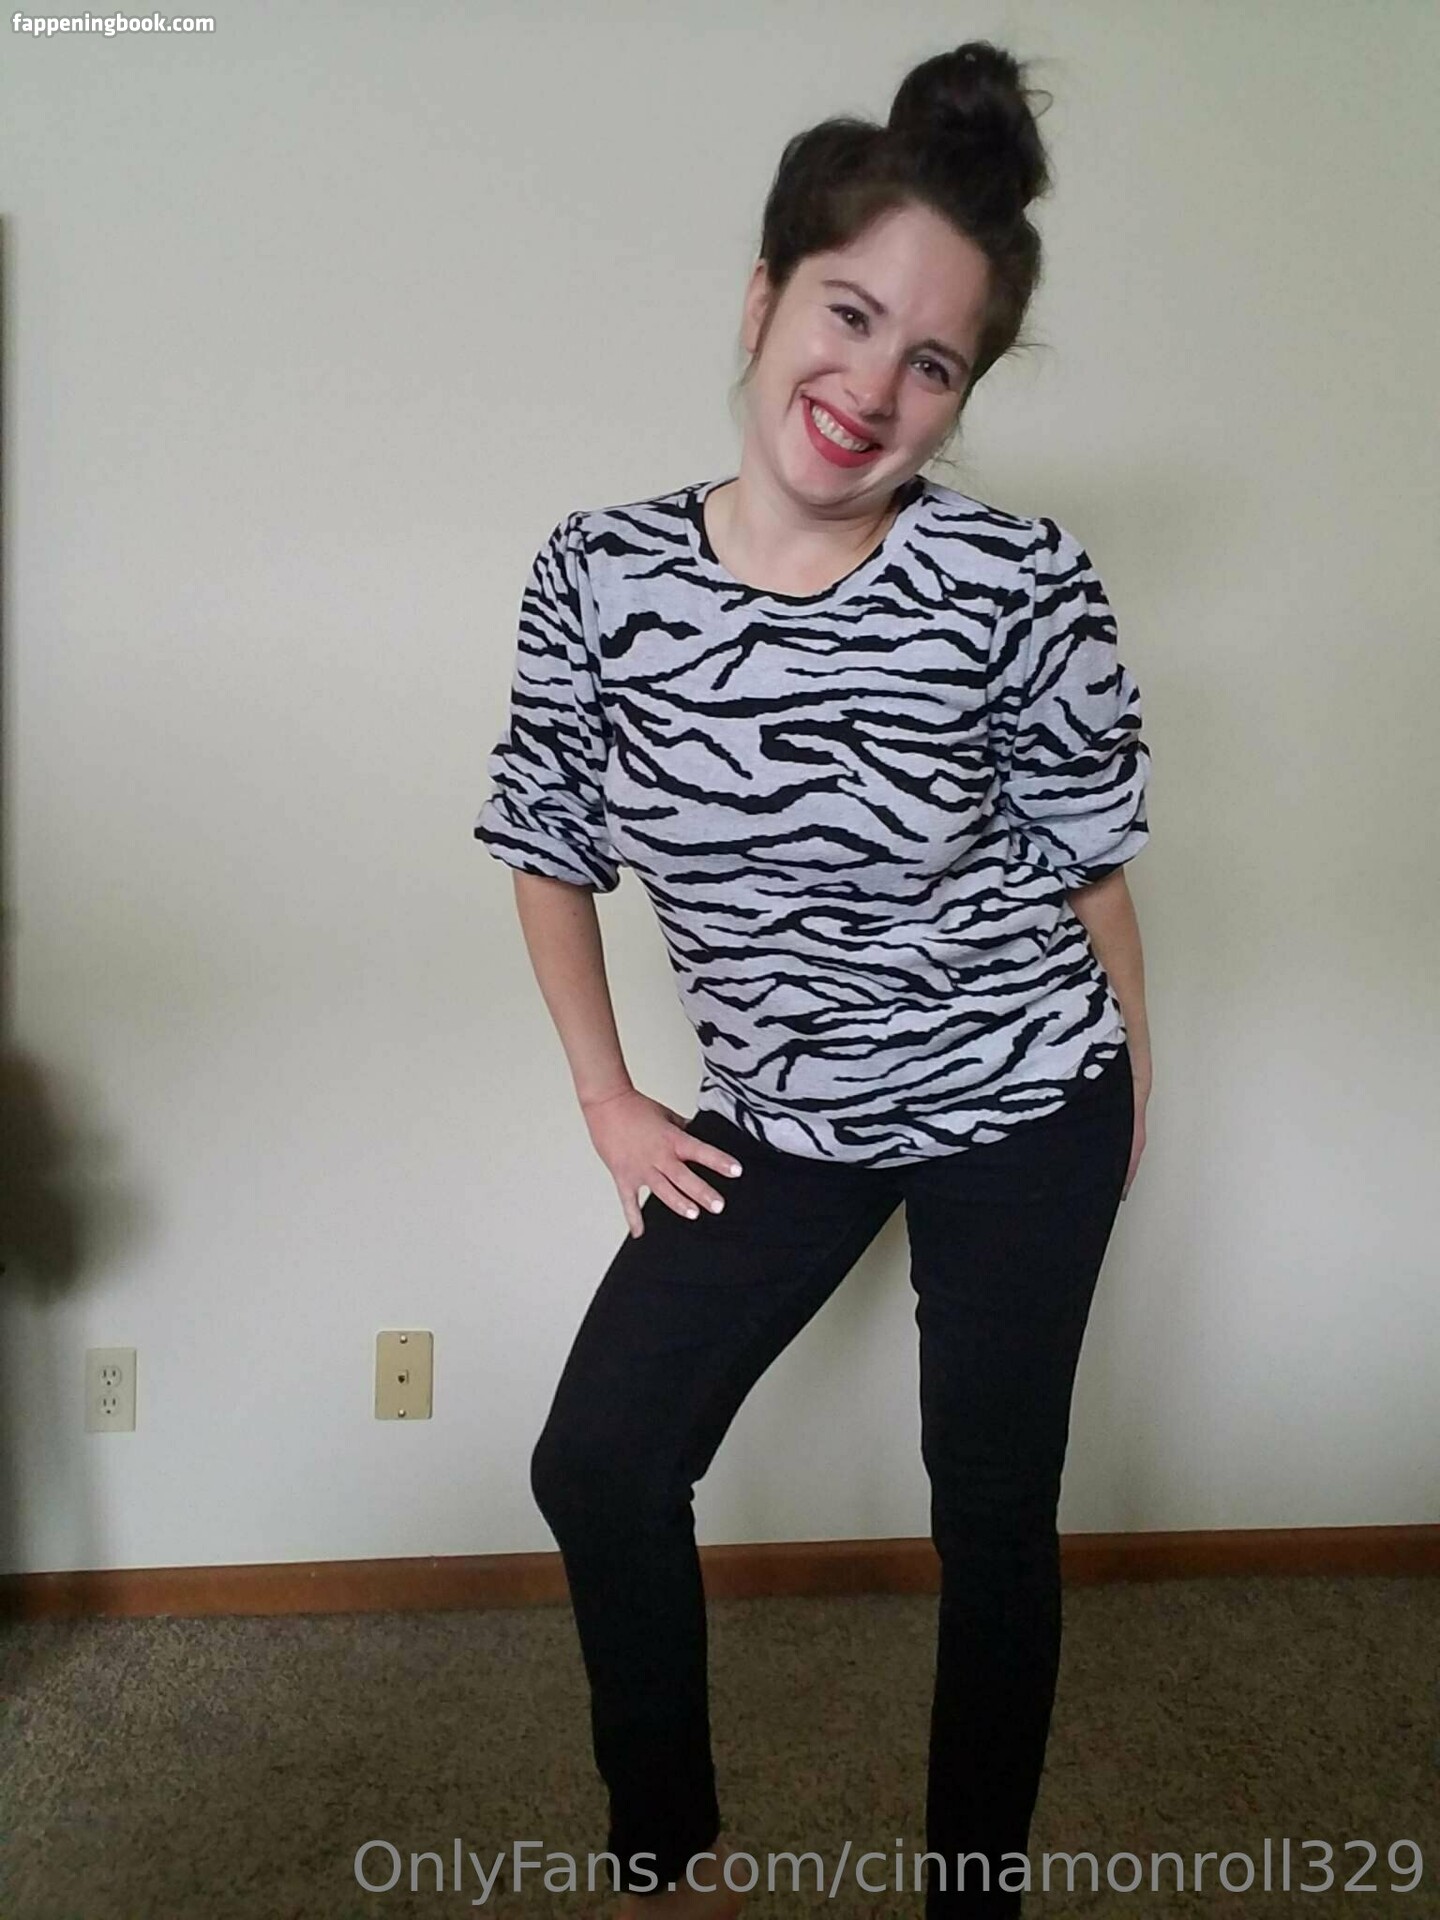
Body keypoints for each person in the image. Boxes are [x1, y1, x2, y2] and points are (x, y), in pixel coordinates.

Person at [476, 39, 1153, 1920]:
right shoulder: (598, 574)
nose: (872, 385)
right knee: (603, 1461)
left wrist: (1128, 1083)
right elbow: (547, 841)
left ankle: (970, 1896)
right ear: (764, 295)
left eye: (933, 360)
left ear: (965, 392)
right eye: (849, 315)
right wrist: (611, 1100)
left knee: (990, 1517)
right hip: (784, 1115)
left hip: (1026, 1098)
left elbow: (1089, 864)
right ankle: (671, 1859)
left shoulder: (1021, 582)